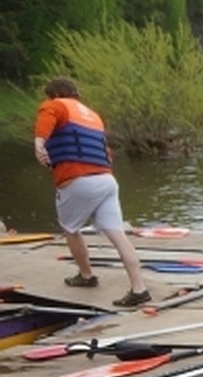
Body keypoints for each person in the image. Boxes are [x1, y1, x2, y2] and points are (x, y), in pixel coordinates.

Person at [33, 77, 149, 308]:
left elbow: (48, 117)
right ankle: (139, 289)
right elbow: (105, 152)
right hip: (106, 180)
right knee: (117, 234)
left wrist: (39, 144)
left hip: (79, 181)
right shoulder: (93, 116)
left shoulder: (56, 104)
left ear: (54, 93)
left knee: (70, 228)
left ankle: (86, 276)